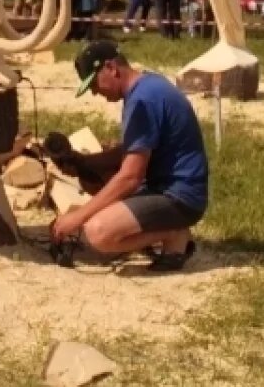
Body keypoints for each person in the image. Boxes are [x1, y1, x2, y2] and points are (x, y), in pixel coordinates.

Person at [50, 41, 208, 270]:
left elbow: (130, 177)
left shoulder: (142, 101)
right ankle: (160, 232)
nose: (95, 92)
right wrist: (84, 162)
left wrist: (78, 217)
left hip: (180, 197)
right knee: (97, 183)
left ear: (111, 68)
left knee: (98, 233)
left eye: (94, 83)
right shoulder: (148, 86)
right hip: (173, 189)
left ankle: (174, 234)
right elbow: (131, 150)